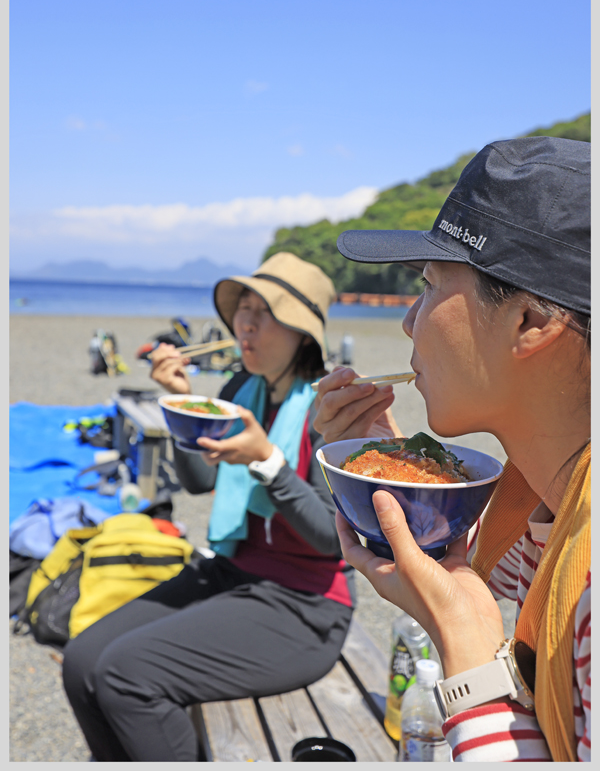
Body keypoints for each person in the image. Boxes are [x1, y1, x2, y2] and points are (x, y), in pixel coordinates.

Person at [313, 136, 590, 762]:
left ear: (531, 323)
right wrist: (391, 478)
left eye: (432, 286)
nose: (411, 322)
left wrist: (462, 650)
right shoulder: (546, 506)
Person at [62, 253, 355, 762]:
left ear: (302, 333)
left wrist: (268, 461)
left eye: (264, 311)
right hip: (232, 572)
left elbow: (332, 537)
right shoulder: (242, 389)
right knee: (82, 660)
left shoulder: (327, 409)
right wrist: (181, 405)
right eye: (243, 308)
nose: (246, 322)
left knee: (126, 675)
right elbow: (199, 482)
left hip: (305, 604)